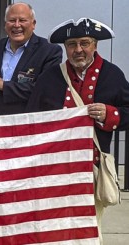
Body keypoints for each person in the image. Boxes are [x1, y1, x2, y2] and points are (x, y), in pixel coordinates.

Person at [26, 17, 129, 244]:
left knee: (89, 228)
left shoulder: (113, 75)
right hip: (54, 169)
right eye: (72, 44)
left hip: (91, 168)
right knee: (53, 227)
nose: (78, 50)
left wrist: (110, 114)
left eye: (85, 43)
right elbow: (31, 118)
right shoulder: (49, 77)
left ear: (95, 45)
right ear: (65, 48)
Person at [0, 2, 63, 116]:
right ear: (5, 24)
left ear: (33, 24)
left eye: (22, 20)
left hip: (27, 125)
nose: (16, 25)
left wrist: (5, 86)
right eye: (12, 20)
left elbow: (45, 90)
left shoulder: (49, 51)